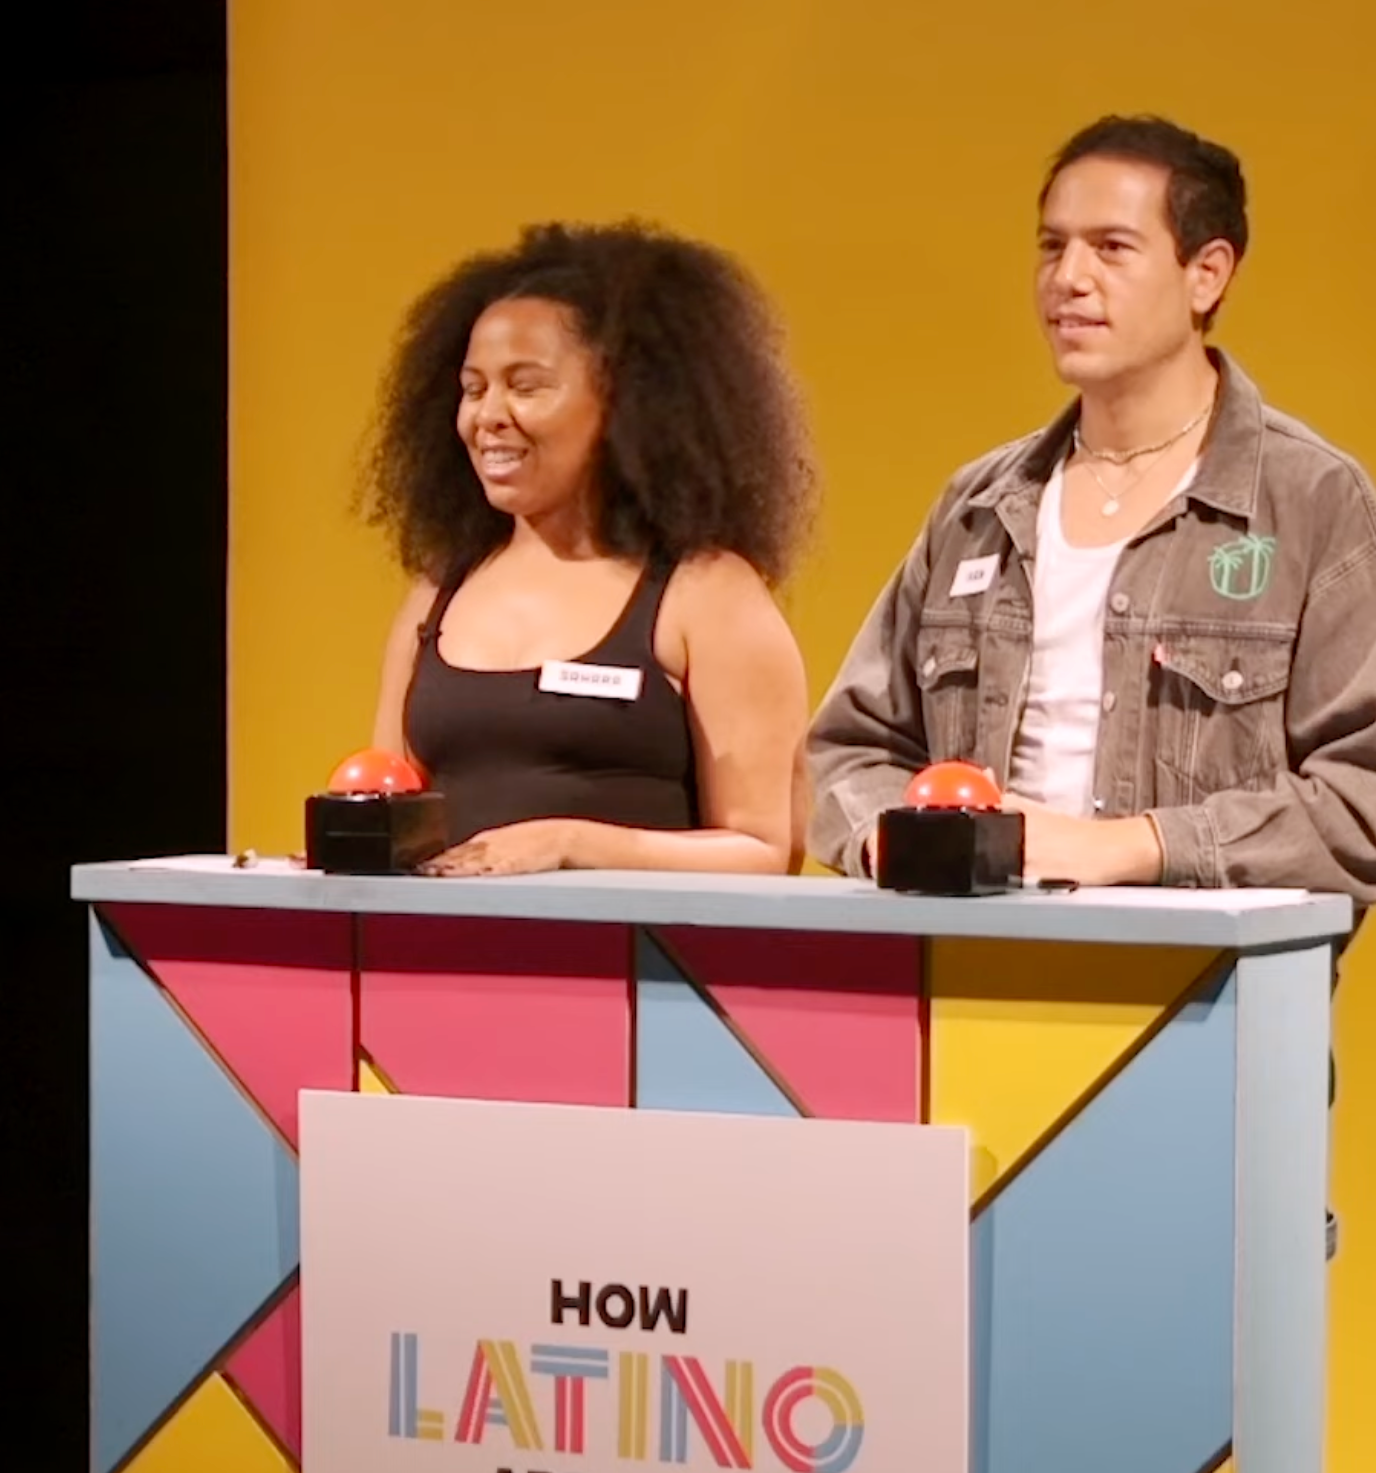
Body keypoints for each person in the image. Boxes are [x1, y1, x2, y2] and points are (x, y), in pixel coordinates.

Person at [806, 116, 1373, 1259]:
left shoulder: (1313, 504)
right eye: (1051, 246)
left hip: (1200, 1034)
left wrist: (1118, 845)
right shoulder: (980, 502)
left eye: (1112, 248)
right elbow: (845, 753)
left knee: (1183, 1408)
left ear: (1207, 272)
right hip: (965, 1026)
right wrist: (888, 839)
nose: (1068, 279)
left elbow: (1359, 802)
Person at [359, 221, 819, 878]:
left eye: (526, 385)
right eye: (473, 387)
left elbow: (764, 852)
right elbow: (388, 807)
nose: (488, 415)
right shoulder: (441, 591)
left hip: (635, 973)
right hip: (442, 971)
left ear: (625, 403)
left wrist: (570, 844)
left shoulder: (703, 592)